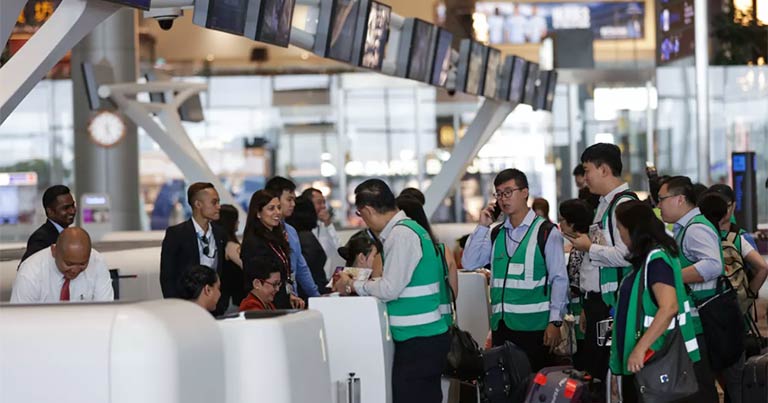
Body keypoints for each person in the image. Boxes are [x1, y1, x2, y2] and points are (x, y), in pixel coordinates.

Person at [333, 179, 451, 403]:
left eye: (360, 214)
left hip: (419, 340)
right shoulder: (412, 229)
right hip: (425, 336)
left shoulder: (401, 234)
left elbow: (390, 288)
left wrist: (352, 284)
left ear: (367, 210)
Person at [462, 168, 568, 371]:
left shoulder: (546, 232)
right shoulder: (495, 233)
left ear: (525, 192)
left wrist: (555, 322)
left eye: (508, 192)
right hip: (502, 328)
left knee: (532, 390)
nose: (503, 199)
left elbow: (559, 279)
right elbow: (469, 263)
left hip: (535, 329)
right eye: (499, 193)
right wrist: (483, 226)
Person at [563, 144, 638, 396]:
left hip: (613, 304)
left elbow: (629, 255)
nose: (584, 178)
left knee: (611, 371)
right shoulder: (604, 205)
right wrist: (588, 302)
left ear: (604, 169)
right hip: (598, 303)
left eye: (587, 171)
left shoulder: (622, 206)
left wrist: (588, 248)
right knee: (599, 371)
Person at [609, 201, 701, 402]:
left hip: (655, 356)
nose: (620, 235)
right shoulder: (645, 260)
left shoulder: (657, 260)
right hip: (646, 357)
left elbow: (669, 307)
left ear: (633, 229)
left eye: (620, 228)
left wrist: (640, 348)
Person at [656, 176, 722, 403]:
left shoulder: (695, 229)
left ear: (680, 199)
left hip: (700, 322)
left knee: (701, 387)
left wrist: (671, 277)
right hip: (696, 321)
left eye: (662, 199)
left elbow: (713, 265)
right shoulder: (686, 228)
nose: (659, 205)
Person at [160, 182, 228, 315]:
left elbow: (225, 273)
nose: (218, 207)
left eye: (218, 202)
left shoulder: (220, 234)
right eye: (214, 203)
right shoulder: (176, 234)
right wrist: (177, 309)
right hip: (185, 310)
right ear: (198, 204)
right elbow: (167, 277)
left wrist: (222, 304)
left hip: (215, 309)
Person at [11, 227, 114, 303]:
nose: (75, 270)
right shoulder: (30, 273)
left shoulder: (97, 262)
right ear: (54, 251)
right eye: (69, 264)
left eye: (82, 264)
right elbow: (20, 320)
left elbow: (105, 311)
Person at [241, 190, 305, 310]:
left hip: (280, 300)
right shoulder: (254, 242)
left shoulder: (277, 237)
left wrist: (288, 295)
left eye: (279, 208)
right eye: (271, 208)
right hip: (265, 304)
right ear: (258, 213)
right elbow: (258, 281)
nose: (277, 213)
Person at [265, 177, 320, 300]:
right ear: (275, 200)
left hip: (293, 297)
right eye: (289, 200)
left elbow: (301, 268)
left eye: (294, 200)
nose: (293, 204)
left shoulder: (291, 231)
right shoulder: (263, 232)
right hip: (272, 299)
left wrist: (316, 296)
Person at [558, 198, 596, 367]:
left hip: (584, 309)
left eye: (563, 220)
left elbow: (583, 280)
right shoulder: (579, 244)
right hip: (579, 308)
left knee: (584, 357)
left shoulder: (585, 246)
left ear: (573, 223)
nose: (560, 224)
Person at [396, 196, 458, 297]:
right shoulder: (443, 251)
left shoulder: (389, 255)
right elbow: (453, 295)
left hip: (408, 311)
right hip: (444, 312)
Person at [286, 195, 329, 298]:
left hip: (303, 292)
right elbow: (304, 270)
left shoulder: (295, 236)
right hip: (312, 291)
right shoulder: (306, 237)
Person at [21, 185, 77, 262]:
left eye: (73, 205)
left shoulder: (73, 235)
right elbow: (27, 268)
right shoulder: (40, 239)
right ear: (50, 211)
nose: (72, 211)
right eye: (66, 208)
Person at [301, 187, 344, 280]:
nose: (323, 206)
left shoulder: (324, 225)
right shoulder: (301, 227)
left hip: (328, 278)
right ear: (308, 204)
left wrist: (328, 224)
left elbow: (339, 250)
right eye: (319, 202)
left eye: (324, 202)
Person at [216, 204, 246, 307]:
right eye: (236, 219)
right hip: (234, 299)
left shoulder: (218, 243)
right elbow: (247, 265)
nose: (238, 222)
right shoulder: (230, 246)